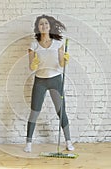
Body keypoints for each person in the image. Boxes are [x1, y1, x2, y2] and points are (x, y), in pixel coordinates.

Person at [24, 14, 74, 153]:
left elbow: (61, 64)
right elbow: (31, 67)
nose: (44, 26)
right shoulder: (33, 45)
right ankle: (28, 143)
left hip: (56, 80)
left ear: (50, 26)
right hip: (40, 81)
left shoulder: (58, 44)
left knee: (61, 112)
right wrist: (34, 63)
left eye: (46, 23)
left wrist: (65, 59)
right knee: (34, 112)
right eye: (41, 24)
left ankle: (68, 141)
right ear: (37, 27)